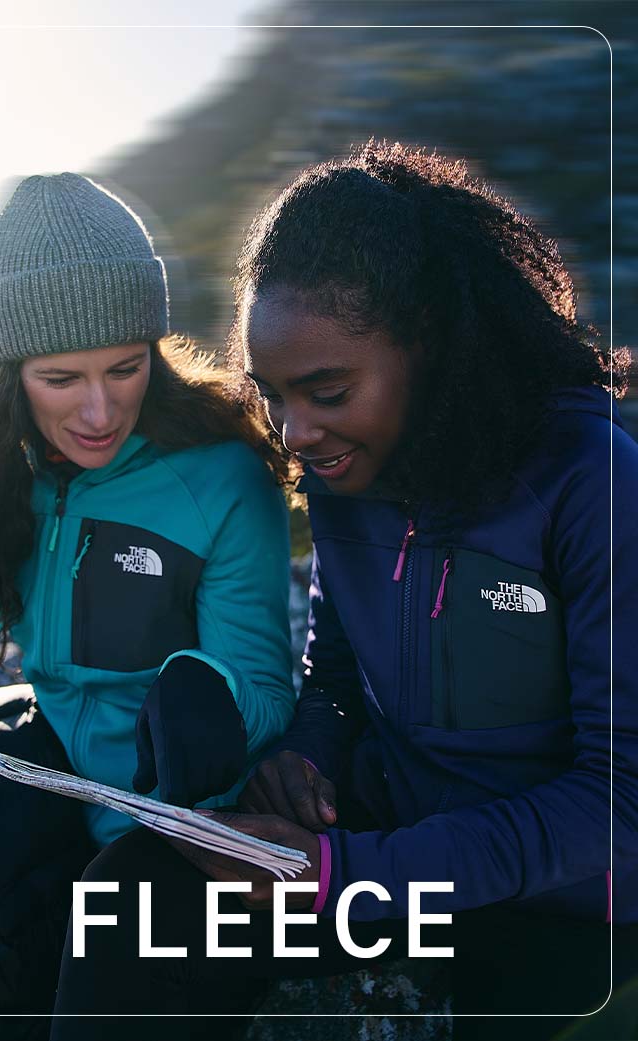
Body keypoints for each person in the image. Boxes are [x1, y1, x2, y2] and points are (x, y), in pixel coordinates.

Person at [50, 143, 638, 1041]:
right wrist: (305, 761)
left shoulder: (591, 481)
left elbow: (618, 805)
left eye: (325, 390)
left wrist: (344, 874)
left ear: (432, 342)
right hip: (375, 856)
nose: (294, 433)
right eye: (274, 396)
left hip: (557, 906)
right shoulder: (345, 473)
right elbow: (335, 678)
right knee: (133, 891)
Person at [0, 172, 295, 1039]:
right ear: (11, 376)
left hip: (185, 819)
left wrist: (204, 697)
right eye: (62, 378)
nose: (101, 410)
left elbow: (265, 689)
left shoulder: (221, 476)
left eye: (126, 367)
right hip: (57, 773)